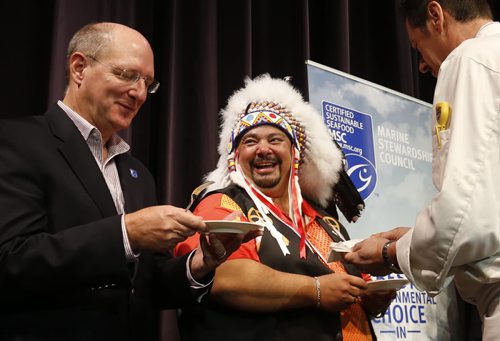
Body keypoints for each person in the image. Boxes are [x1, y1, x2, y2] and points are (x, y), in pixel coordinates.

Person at [0, 22, 255, 340]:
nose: (138, 93)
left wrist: (200, 263)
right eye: (126, 74)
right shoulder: (16, 141)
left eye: (148, 82)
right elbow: (11, 259)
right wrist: (126, 233)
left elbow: (149, 287)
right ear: (80, 68)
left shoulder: (138, 175)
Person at [174, 74, 396, 340]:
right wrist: (315, 290)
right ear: (235, 156)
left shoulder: (327, 221)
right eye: (250, 141)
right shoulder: (222, 203)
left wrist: (369, 299)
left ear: (295, 154)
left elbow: (349, 286)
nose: (262, 149)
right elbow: (224, 277)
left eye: (275, 140)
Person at [343, 1, 500, 340]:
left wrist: (390, 253)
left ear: (436, 15)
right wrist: (414, 236)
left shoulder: (469, 59)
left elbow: (465, 208)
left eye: (418, 46)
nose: (422, 66)